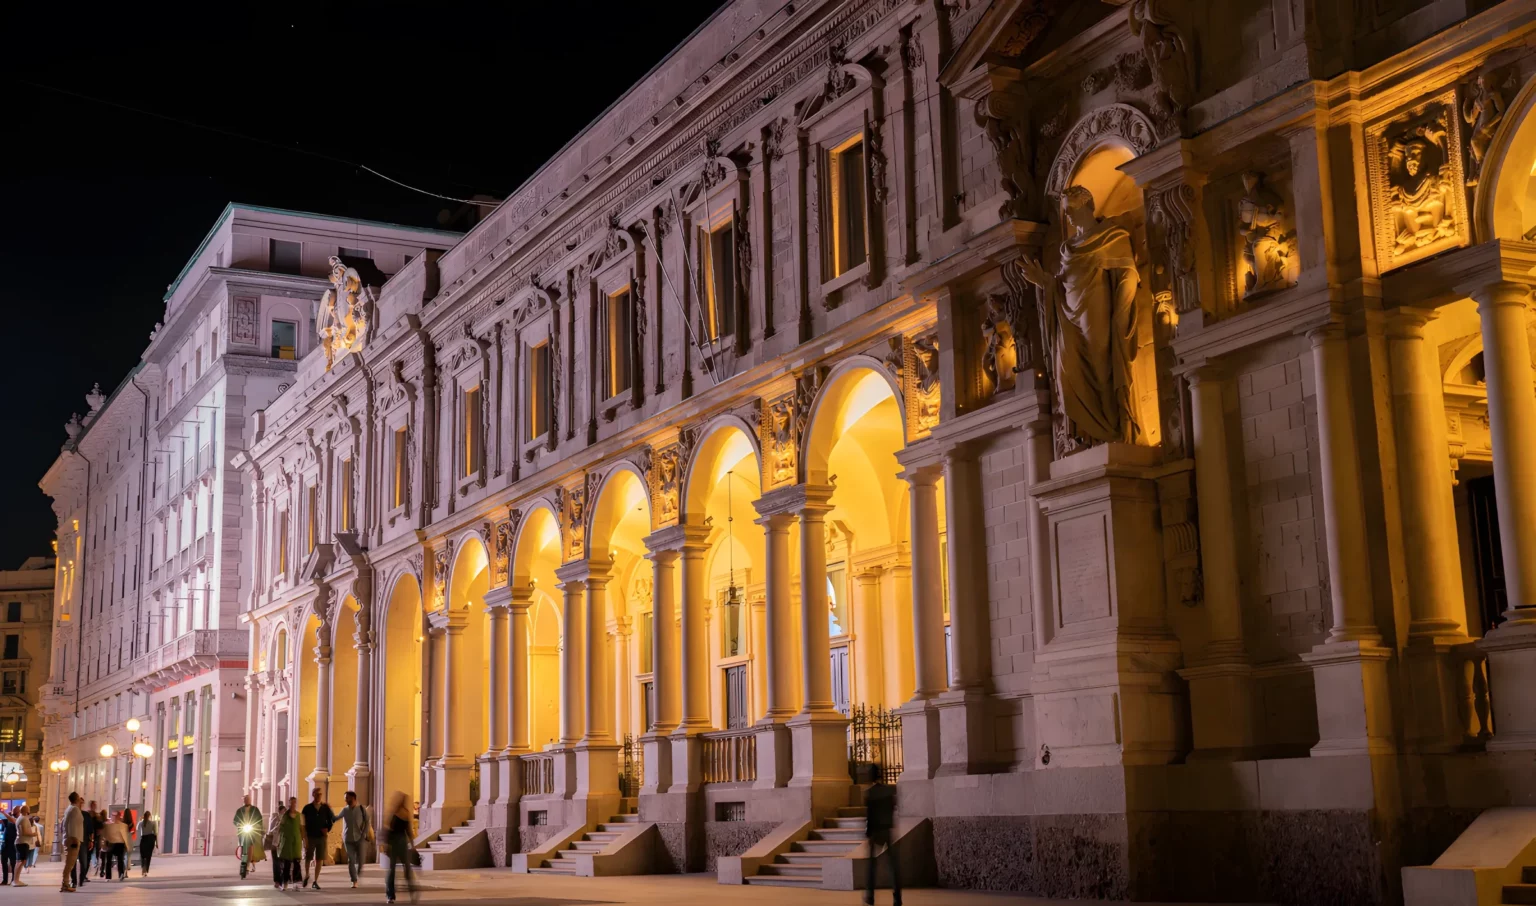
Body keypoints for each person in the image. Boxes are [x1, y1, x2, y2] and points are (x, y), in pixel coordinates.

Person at [863, 765, 900, 906]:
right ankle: (897, 896)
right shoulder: (889, 791)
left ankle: (870, 895)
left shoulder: (870, 793)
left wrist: (868, 833)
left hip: (876, 831)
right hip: (887, 829)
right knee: (893, 866)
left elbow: (869, 815)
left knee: (872, 866)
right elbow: (893, 808)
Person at [383, 793, 416, 905]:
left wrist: (413, 845)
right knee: (399, 869)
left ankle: (393, 895)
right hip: (398, 842)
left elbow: (407, 830)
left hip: (397, 842)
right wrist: (412, 845)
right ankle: (394, 894)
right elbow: (408, 831)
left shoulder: (398, 812)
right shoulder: (401, 813)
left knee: (398, 869)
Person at [300, 787, 334, 890]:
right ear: (313, 794)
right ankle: (307, 874)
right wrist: (304, 837)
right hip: (310, 836)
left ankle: (315, 880)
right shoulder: (307, 808)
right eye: (317, 794)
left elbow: (331, 820)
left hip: (321, 837)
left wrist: (327, 829)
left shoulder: (325, 808)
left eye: (320, 794)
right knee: (308, 857)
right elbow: (302, 823)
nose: (319, 796)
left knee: (319, 858)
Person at [338, 790, 369, 889]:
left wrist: (364, 833)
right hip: (348, 838)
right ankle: (354, 880)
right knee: (351, 860)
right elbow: (336, 817)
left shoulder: (361, 809)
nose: (345, 800)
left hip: (360, 838)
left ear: (353, 798)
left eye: (347, 798)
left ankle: (358, 871)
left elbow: (367, 821)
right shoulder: (345, 810)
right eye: (345, 798)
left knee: (361, 860)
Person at [276, 798, 303, 891]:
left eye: (294, 803)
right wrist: (277, 841)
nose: (292, 805)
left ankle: (296, 884)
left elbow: (301, 828)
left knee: (296, 863)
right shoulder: (285, 816)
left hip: (296, 842)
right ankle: (285, 883)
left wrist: (304, 840)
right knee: (286, 864)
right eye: (291, 803)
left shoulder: (299, 815)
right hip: (286, 842)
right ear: (288, 804)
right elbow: (280, 828)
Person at [234, 795, 263, 879]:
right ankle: (243, 862)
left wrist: (258, 826)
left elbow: (259, 819)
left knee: (250, 846)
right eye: (245, 799)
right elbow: (235, 820)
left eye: (248, 799)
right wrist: (238, 824)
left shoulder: (255, 810)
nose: (247, 801)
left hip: (251, 830)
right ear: (243, 801)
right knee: (242, 846)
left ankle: (249, 864)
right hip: (243, 831)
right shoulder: (240, 810)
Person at [62, 792, 83, 893]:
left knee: (69, 863)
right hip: (73, 839)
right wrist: (74, 838)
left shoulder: (70, 808)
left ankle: (65, 883)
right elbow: (73, 825)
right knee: (70, 863)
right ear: (76, 799)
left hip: (69, 838)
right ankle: (65, 884)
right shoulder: (74, 809)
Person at [98, 815, 128, 881]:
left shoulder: (122, 825)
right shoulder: (109, 825)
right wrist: (103, 844)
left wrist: (126, 845)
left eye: (116, 816)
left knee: (119, 859)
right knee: (109, 860)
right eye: (113, 816)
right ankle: (108, 876)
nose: (115, 818)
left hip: (119, 844)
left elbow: (125, 836)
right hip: (111, 843)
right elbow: (104, 835)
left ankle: (121, 874)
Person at [75, 800, 97, 887]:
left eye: (81, 803)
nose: (80, 804)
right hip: (73, 840)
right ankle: (74, 881)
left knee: (84, 862)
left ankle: (81, 879)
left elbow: (90, 829)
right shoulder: (71, 814)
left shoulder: (85, 814)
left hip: (84, 841)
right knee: (73, 862)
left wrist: (91, 840)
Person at [14, 805, 36, 886]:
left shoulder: (20, 818)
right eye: (28, 809)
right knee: (21, 861)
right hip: (23, 842)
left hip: (20, 842)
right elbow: (24, 832)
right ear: (27, 810)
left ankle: (16, 880)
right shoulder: (24, 819)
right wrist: (33, 834)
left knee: (19, 862)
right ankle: (16, 881)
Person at [136, 811, 158, 877]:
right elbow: (155, 833)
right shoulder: (153, 823)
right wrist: (157, 843)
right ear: (149, 816)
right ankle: (146, 870)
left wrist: (140, 820)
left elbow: (137, 828)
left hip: (144, 839)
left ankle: (143, 868)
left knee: (143, 856)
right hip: (151, 840)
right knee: (148, 856)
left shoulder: (141, 823)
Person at [0, 805, 17, 886]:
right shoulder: (8, 821)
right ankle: (5, 880)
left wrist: (4, 813)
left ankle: (14, 879)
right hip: (5, 844)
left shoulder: (17, 819)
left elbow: (13, 821)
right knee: (4, 862)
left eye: (14, 810)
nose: (13, 811)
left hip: (12, 844)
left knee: (13, 863)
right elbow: (3, 822)